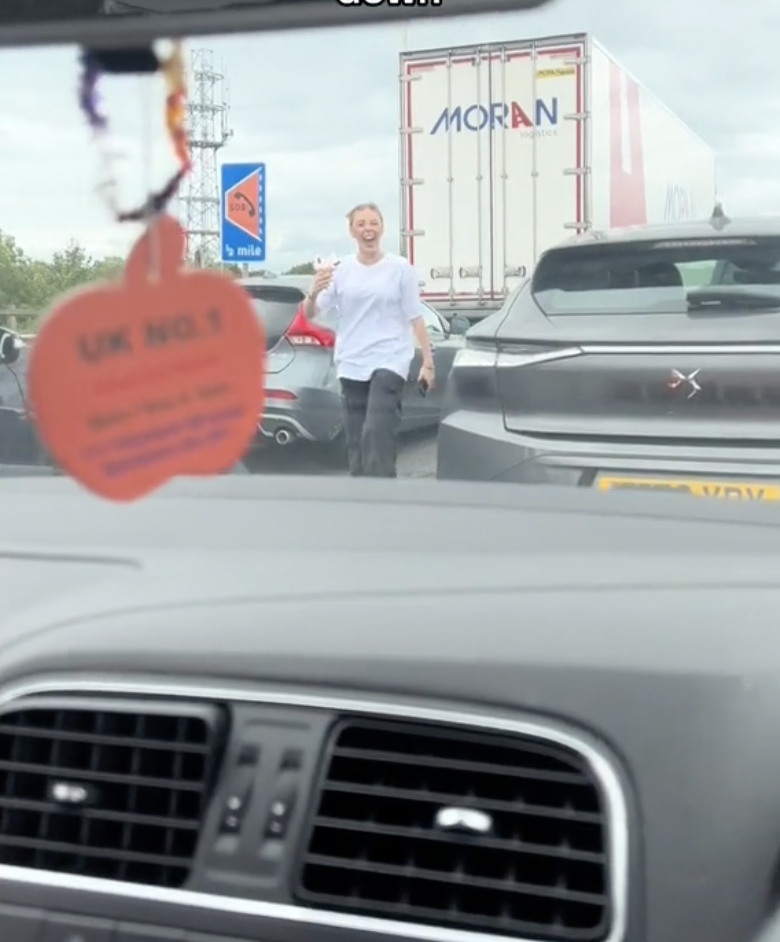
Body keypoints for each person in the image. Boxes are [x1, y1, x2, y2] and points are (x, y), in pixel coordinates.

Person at [302, 202, 435, 477]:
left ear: (382, 228)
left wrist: (428, 362)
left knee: (376, 431)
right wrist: (313, 292)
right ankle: (361, 496)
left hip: (390, 358)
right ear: (352, 231)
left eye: (373, 223)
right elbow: (311, 313)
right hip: (352, 361)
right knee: (356, 438)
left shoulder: (400, 268)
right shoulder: (342, 270)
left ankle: (382, 496)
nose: (368, 229)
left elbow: (415, 315)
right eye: (361, 224)